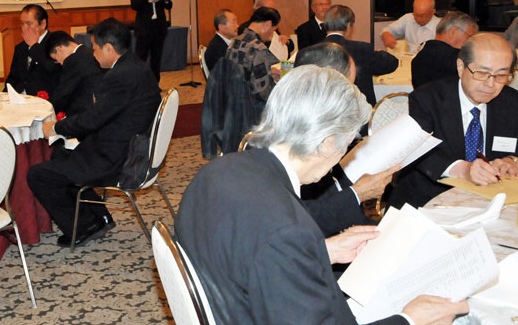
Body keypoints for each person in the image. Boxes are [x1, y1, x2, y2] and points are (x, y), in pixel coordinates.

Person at [175, 65, 468, 325]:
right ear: (328, 144)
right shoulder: (286, 231)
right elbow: (275, 242)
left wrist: (322, 250)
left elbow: (251, 248)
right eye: (348, 142)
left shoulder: (218, 170)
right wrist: (409, 320)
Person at [28, 19, 160, 247]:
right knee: (60, 155)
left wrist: (57, 128)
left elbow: (92, 119)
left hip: (118, 158)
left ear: (109, 48)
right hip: (130, 145)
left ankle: (83, 226)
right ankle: (100, 217)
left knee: (38, 174)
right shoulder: (137, 66)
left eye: (96, 48)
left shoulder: (120, 77)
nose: (94, 54)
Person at [387, 33, 518, 209]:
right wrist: (463, 169)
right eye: (482, 73)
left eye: (501, 75)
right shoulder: (427, 98)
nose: (491, 84)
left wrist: (511, 160)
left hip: (492, 199)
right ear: (461, 67)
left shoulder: (512, 102)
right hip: (429, 198)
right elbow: (416, 150)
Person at [295, 42, 400, 236]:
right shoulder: (296, 142)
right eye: (348, 87)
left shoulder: (319, 128)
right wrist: (357, 193)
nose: (351, 95)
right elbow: (303, 222)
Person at [324, 5, 398, 106]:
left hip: (325, 110)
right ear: (349, 25)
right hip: (359, 110)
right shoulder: (361, 49)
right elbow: (391, 64)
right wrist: (381, 53)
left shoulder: (308, 53)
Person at [225, 6, 281, 112]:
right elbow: (263, 93)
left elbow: (244, 72)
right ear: (267, 24)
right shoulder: (258, 48)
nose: (270, 36)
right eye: (273, 31)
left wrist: (268, 73)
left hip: (232, 101)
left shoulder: (234, 42)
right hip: (250, 107)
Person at [5, 4, 61, 97]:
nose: (24, 27)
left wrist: (34, 46)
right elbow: (13, 78)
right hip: (20, 98)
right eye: (22, 23)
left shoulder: (56, 43)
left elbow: (54, 70)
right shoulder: (20, 47)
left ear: (43, 24)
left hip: (45, 98)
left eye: (29, 23)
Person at [129, 0, 172, 81]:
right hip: (144, 29)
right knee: (140, 58)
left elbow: (168, 6)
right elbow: (135, 6)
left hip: (158, 28)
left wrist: (167, 0)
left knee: (156, 59)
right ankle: (140, 84)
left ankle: (155, 84)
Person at [411, 11, 477, 89]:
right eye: (470, 37)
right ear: (453, 31)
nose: (471, 42)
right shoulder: (457, 60)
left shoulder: (421, 55)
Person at [45, 31, 102, 117]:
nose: (60, 63)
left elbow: (63, 94)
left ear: (59, 49)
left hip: (82, 114)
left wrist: (47, 112)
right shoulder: (89, 52)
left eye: (56, 59)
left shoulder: (73, 60)